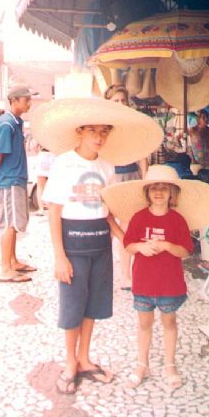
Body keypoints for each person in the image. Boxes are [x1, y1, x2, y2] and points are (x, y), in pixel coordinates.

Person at [33, 98, 161, 395]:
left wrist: (126, 240)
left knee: (92, 306)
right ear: (79, 131)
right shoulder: (64, 162)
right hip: (73, 244)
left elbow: (107, 210)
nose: (99, 137)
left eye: (104, 131)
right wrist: (59, 257)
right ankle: (69, 363)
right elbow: (54, 210)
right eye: (93, 131)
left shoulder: (107, 166)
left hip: (100, 246)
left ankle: (85, 358)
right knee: (72, 308)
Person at [109, 165, 194, 389]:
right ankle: (141, 364)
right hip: (144, 283)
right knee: (144, 324)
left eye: (164, 188)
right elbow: (128, 244)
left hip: (170, 285)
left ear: (172, 193)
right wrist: (141, 247)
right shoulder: (139, 218)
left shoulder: (177, 220)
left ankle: (169, 364)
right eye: (154, 188)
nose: (158, 192)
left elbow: (185, 250)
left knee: (169, 323)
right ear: (147, 192)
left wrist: (167, 245)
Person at [0, 85, 38, 283]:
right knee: (8, 224)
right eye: (26, 99)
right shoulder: (6, 124)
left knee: (15, 223)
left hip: (17, 180)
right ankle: (5, 269)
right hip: (8, 182)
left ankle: (13, 261)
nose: (29, 103)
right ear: (15, 100)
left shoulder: (16, 122)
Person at [104, 83, 148, 290]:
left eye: (123, 100)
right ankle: (100, 270)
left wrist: (145, 178)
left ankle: (125, 275)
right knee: (106, 226)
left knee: (128, 227)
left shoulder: (133, 126)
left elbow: (142, 155)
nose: (120, 104)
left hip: (131, 177)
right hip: (111, 178)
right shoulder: (104, 127)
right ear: (108, 103)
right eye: (116, 101)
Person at [35, 147, 56, 216]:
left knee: (40, 184)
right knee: (54, 184)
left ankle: (41, 209)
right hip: (55, 154)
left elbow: (34, 146)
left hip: (43, 154)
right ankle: (53, 209)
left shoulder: (42, 136)